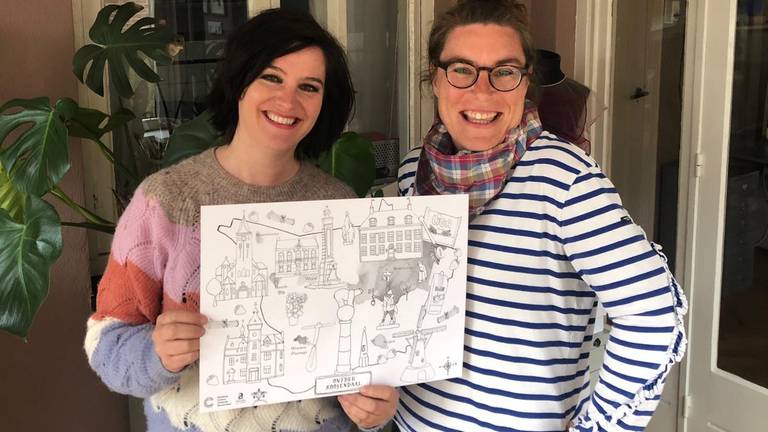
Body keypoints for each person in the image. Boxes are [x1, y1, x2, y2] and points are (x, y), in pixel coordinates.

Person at [84, 9, 397, 432]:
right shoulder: (167, 201)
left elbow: (364, 350)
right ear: (239, 82)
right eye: (271, 77)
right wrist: (156, 353)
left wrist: (372, 410)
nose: (288, 101)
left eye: (309, 86)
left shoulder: (338, 204)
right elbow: (107, 346)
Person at [395, 1, 688, 431]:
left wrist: (598, 427)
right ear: (435, 78)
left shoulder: (563, 179)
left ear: (525, 81)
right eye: (461, 69)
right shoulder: (414, 170)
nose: (483, 91)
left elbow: (654, 317)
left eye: (504, 71)